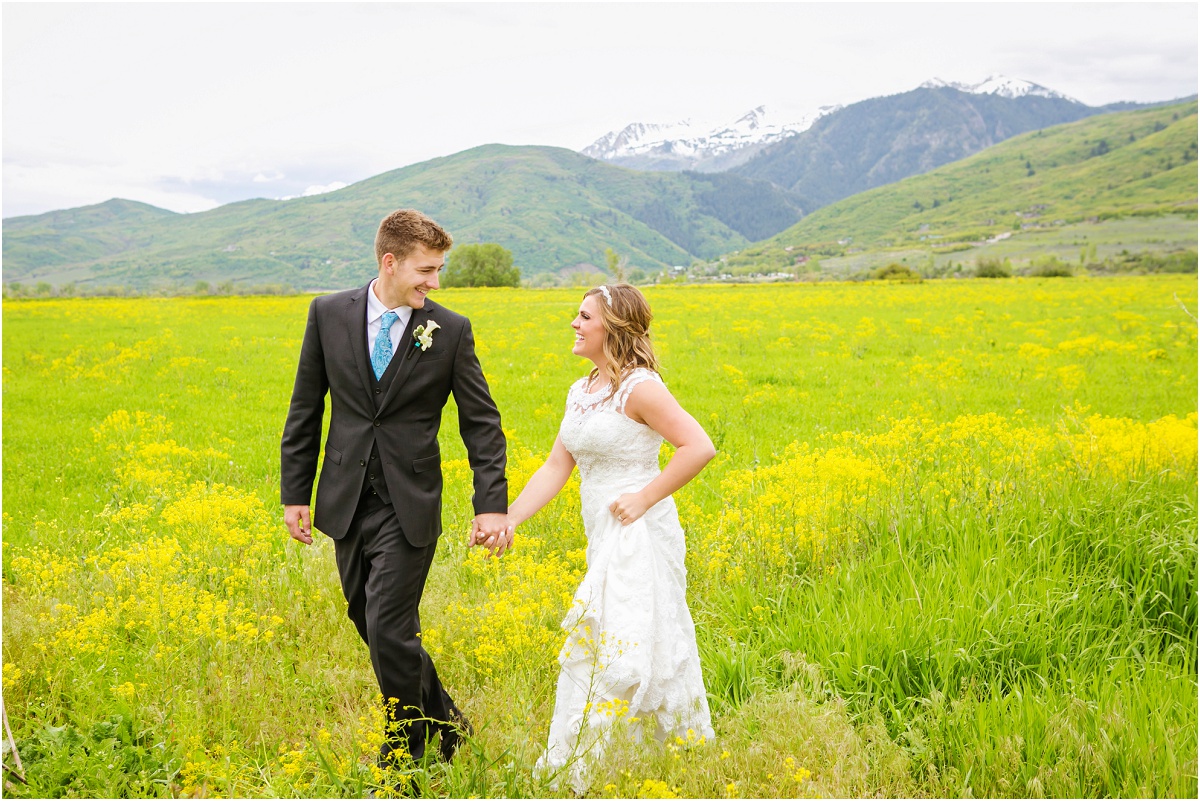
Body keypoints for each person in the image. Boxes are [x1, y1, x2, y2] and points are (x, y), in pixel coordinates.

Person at [280, 208, 511, 767]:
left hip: (410, 505)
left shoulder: (449, 330)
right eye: (426, 271)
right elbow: (306, 408)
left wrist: (492, 506)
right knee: (369, 621)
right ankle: (448, 724)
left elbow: (481, 423)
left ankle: (404, 750)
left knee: (389, 624)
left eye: (437, 272)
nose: (435, 283)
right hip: (345, 498)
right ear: (390, 262)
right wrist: (295, 494)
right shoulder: (328, 314)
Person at [505, 283, 717, 791]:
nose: (574, 324)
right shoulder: (582, 391)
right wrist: (510, 518)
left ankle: (616, 758)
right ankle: (622, 756)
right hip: (600, 530)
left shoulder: (640, 388)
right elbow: (559, 465)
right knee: (612, 637)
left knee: (628, 638)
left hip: (638, 531)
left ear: (613, 328)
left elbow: (698, 446)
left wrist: (644, 498)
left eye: (584, 317)